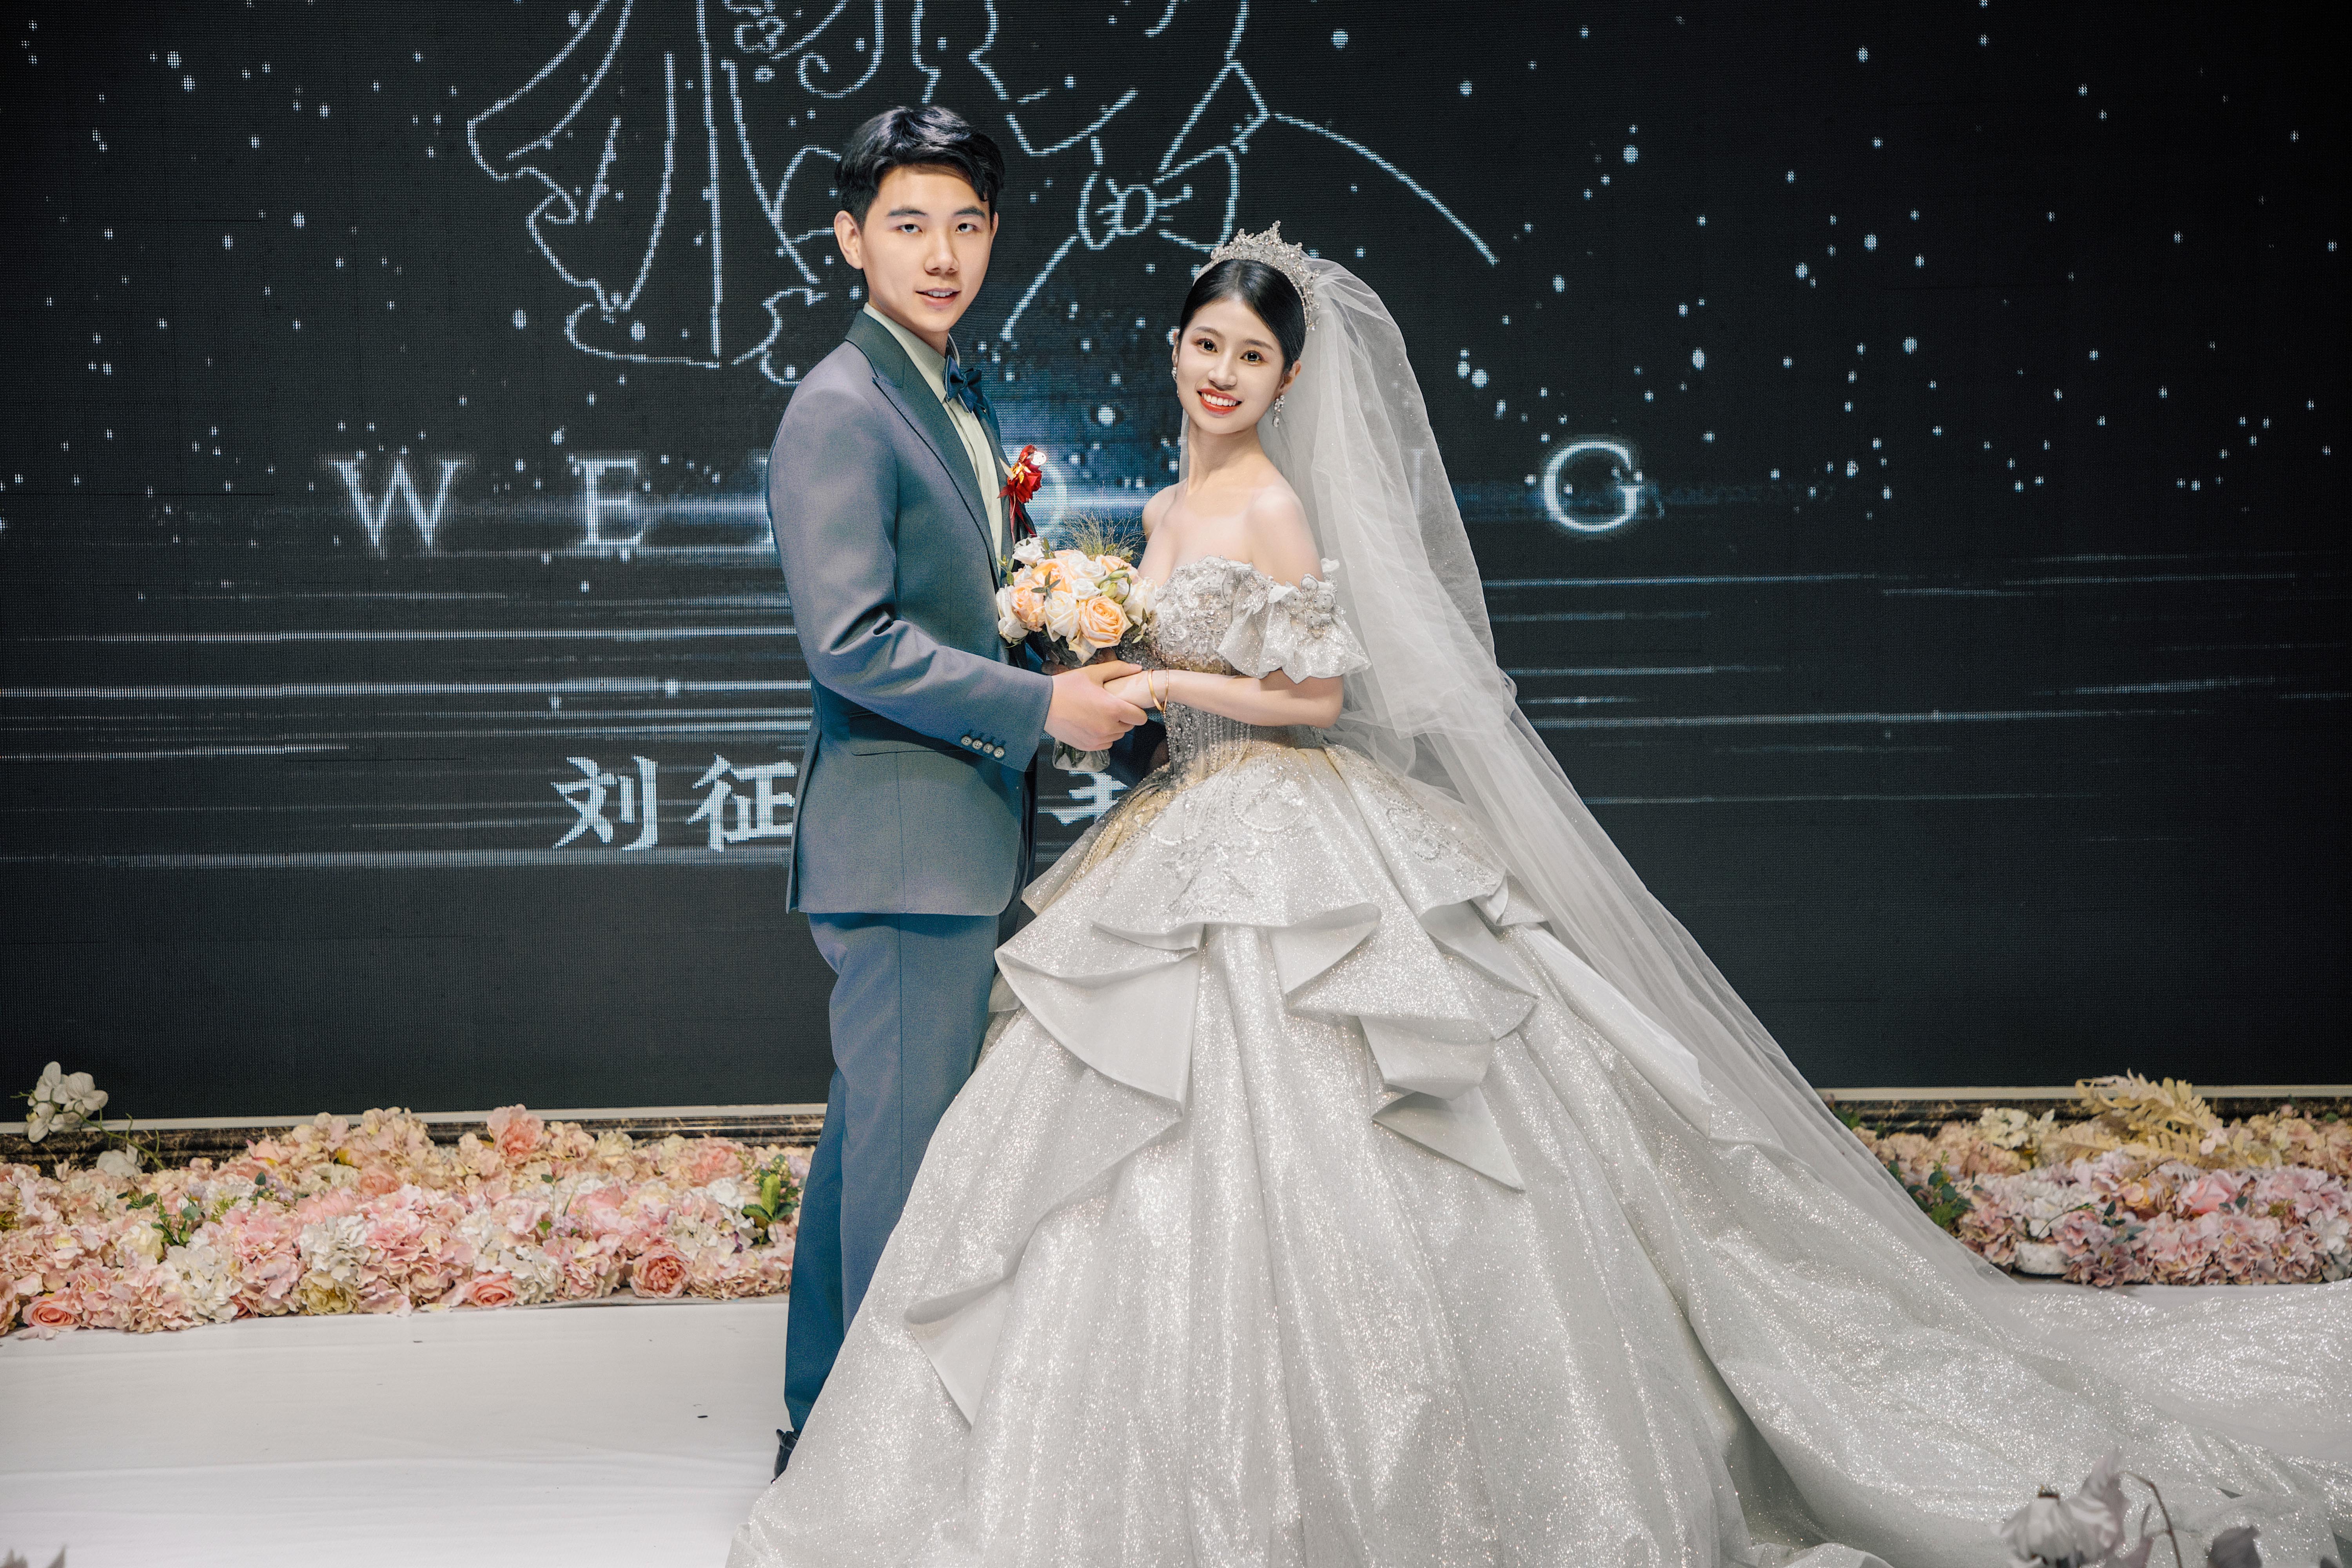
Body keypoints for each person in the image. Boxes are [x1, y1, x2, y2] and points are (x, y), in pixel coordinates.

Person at [736, 229, 2351, 1564]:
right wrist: (1105, 658)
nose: (1221, 373)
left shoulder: (1273, 504)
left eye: (1251, 355)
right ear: (1177, 353)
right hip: (1187, 823)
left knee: (1365, 1119)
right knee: (1121, 1133)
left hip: (1285, 824)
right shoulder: (1157, 511)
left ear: (1290, 380)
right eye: (1205, 346)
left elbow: (1322, 697)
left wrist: (1165, 679)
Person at [761, 104, 1149, 1475]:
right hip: (902, 842)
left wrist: (1071, 655)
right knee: (908, 1167)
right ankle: (876, 1475)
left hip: (941, 833)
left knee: (872, 1146)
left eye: (967, 226)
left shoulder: (939, 391)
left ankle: (825, 1430)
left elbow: (960, 608)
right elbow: (852, 642)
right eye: (910, 225)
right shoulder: (840, 407)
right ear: (848, 238)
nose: (942, 256)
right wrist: (1046, 707)